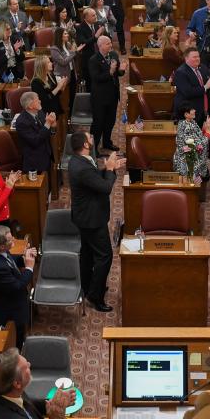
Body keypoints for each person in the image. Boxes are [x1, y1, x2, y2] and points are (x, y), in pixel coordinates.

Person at [68, 133, 126, 313]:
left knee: (87, 254)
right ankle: (95, 295)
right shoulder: (82, 166)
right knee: (104, 256)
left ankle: (88, 286)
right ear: (85, 144)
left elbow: (93, 179)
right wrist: (108, 169)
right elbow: (105, 187)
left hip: (83, 216)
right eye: (90, 137)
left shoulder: (78, 160)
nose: (93, 138)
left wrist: (109, 169)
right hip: (91, 219)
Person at [0, 225, 37, 344]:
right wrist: (29, 267)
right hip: (9, 313)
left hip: (11, 304)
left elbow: (9, 259)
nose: (14, 240)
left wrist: (23, 258)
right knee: (15, 342)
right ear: (1, 246)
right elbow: (17, 286)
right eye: (11, 239)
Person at [16, 91, 56, 176]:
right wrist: (48, 124)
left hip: (46, 154)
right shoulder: (22, 122)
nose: (40, 101)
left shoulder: (39, 112)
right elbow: (35, 140)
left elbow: (46, 130)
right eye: (37, 100)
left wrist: (52, 126)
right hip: (35, 162)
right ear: (30, 106)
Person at [172, 104, 210, 182]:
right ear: (186, 114)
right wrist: (208, 131)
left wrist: (204, 130)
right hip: (187, 164)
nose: (195, 110)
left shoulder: (189, 122)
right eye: (192, 109)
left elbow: (196, 138)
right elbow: (199, 146)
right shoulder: (187, 128)